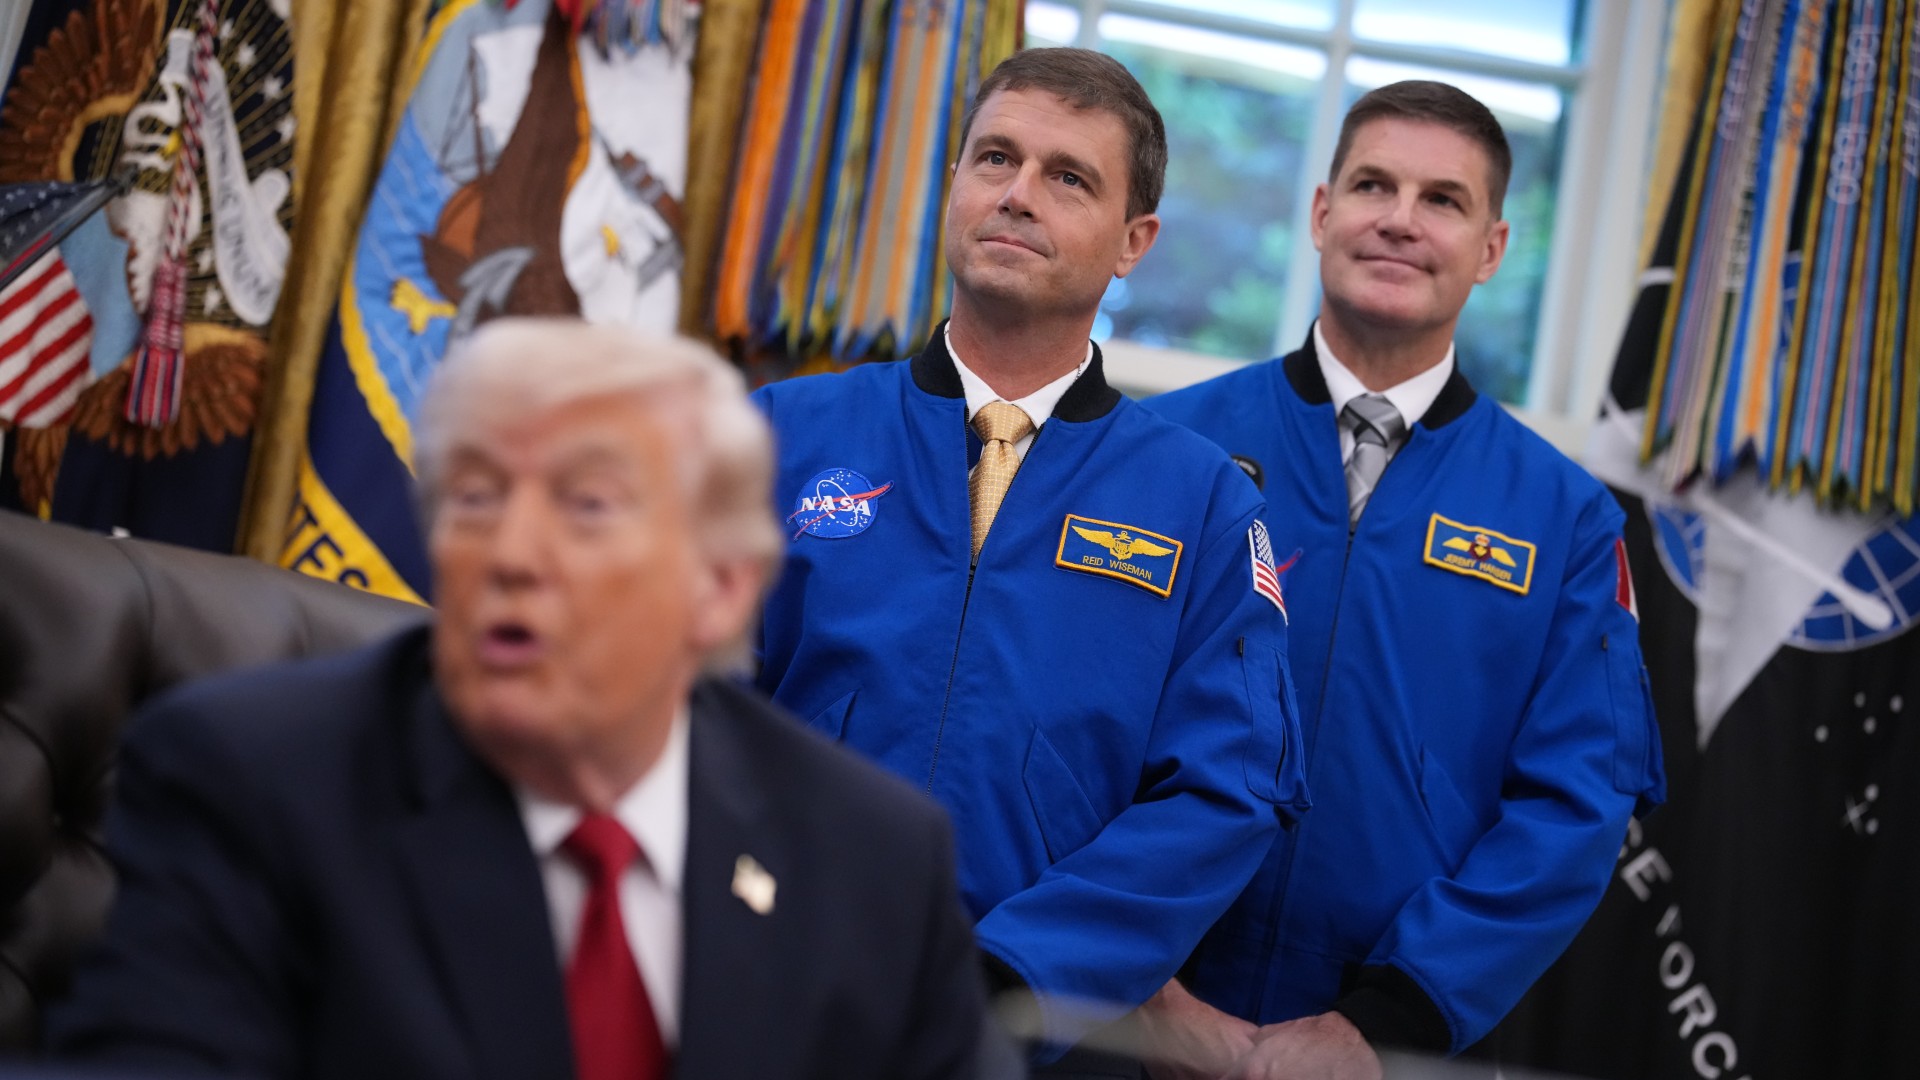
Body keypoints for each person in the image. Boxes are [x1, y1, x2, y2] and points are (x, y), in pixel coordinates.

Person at [48, 320, 1005, 1080]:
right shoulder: (252, 784)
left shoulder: (873, 861)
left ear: (718, 587)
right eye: (474, 498)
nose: (509, 555)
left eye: (587, 507)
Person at [751, 47, 1309, 1070]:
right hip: (764, 986)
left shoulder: (1207, 506)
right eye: (994, 159)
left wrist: (1014, 974)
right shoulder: (776, 438)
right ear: (952, 186)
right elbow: (673, 703)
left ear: (1134, 240)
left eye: (1068, 177)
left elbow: (1228, 792)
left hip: (1029, 1035)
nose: (1017, 195)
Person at [1138, 80, 1668, 1079]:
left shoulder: (1566, 519)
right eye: (1374, 184)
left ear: (1492, 249)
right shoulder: (1163, 452)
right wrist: (1142, 987)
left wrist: (1391, 1017)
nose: (1400, 220)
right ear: (1321, 211)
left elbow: (1578, 805)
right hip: (1140, 1016)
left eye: (1443, 199)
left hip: (1396, 1047)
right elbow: (1068, 731)